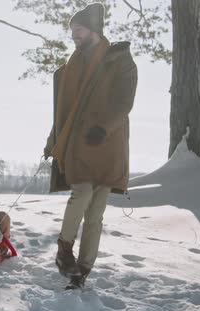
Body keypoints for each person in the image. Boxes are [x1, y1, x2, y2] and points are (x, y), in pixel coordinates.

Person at [43, 2, 138, 289]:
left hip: (108, 144)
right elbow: (65, 111)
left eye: (79, 29)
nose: (74, 35)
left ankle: (81, 271)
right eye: (72, 30)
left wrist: (104, 128)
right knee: (81, 193)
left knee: (96, 213)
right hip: (78, 145)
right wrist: (52, 142)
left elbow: (125, 102)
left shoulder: (120, 60)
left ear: (94, 29)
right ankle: (64, 250)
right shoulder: (70, 67)